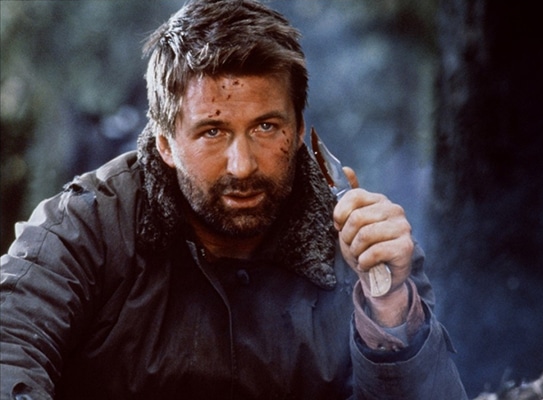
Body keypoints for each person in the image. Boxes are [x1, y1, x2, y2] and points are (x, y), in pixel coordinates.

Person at [0, 1, 467, 399]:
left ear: (298, 131)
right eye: (212, 131)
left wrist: (389, 309)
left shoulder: (362, 244)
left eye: (265, 127)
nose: (242, 166)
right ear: (164, 143)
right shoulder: (86, 226)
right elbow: (8, 345)